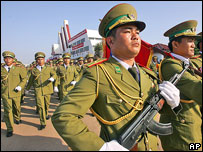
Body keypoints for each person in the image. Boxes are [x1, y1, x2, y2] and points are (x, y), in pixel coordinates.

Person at [51, 3, 180, 151]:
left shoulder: (146, 74)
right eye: (127, 31)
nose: (135, 36)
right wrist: (101, 148)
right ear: (110, 41)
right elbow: (63, 116)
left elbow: (156, 110)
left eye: (137, 32)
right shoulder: (98, 74)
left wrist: (172, 104)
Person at [158, 20, 202, 151]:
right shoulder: (170, 65)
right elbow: (196, 88)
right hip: (181, 135)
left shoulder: (189, 64)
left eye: (194, 41)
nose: (194, 45)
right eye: (190, 41)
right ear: (175, 44)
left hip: (193, 128)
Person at [26, 52, 56, 130]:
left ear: (44, 60)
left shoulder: (49, 68)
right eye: (38, 59)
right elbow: (31, 80)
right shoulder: (34, 70)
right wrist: (27, 89)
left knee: (47, 104)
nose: (40, 61)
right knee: (40, 106)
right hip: (38, 89)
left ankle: (45, 114)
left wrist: (53, 78)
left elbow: (55, 74)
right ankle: (42, 122)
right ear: (36, 60)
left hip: (47, 89)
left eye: (41, 59)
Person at [1, 51, 27, 137]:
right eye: (6, 58)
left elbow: (24, 79)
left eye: (9, 58)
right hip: (5, 93)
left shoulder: (18, 69)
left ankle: (17, 117)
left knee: (17, 107)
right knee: (8, 111)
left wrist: (20, 86)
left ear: (13, 59)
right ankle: (10, 129)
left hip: (16, 92)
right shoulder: (1, 69)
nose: (7, 60)